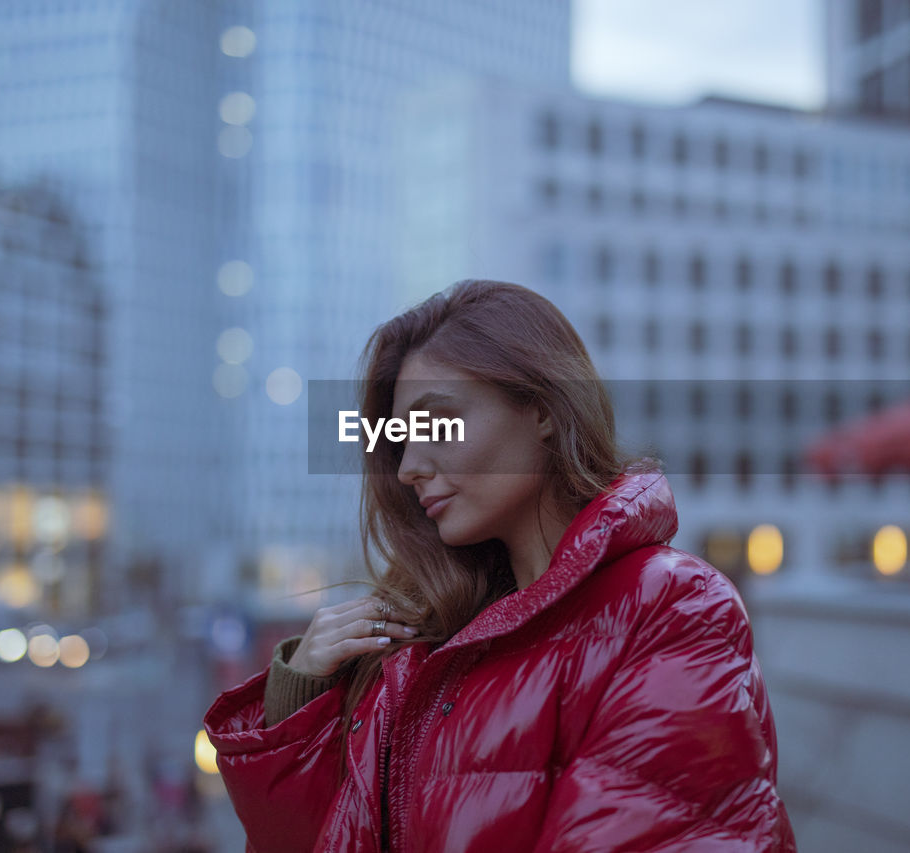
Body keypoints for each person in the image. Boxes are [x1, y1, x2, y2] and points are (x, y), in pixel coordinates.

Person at [203, 279, 796, 852]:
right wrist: (298, 705)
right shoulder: (421, 654)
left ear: (539, 407)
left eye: (437, 422)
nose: (409, 466)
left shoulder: (672, 606)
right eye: (402, 438)